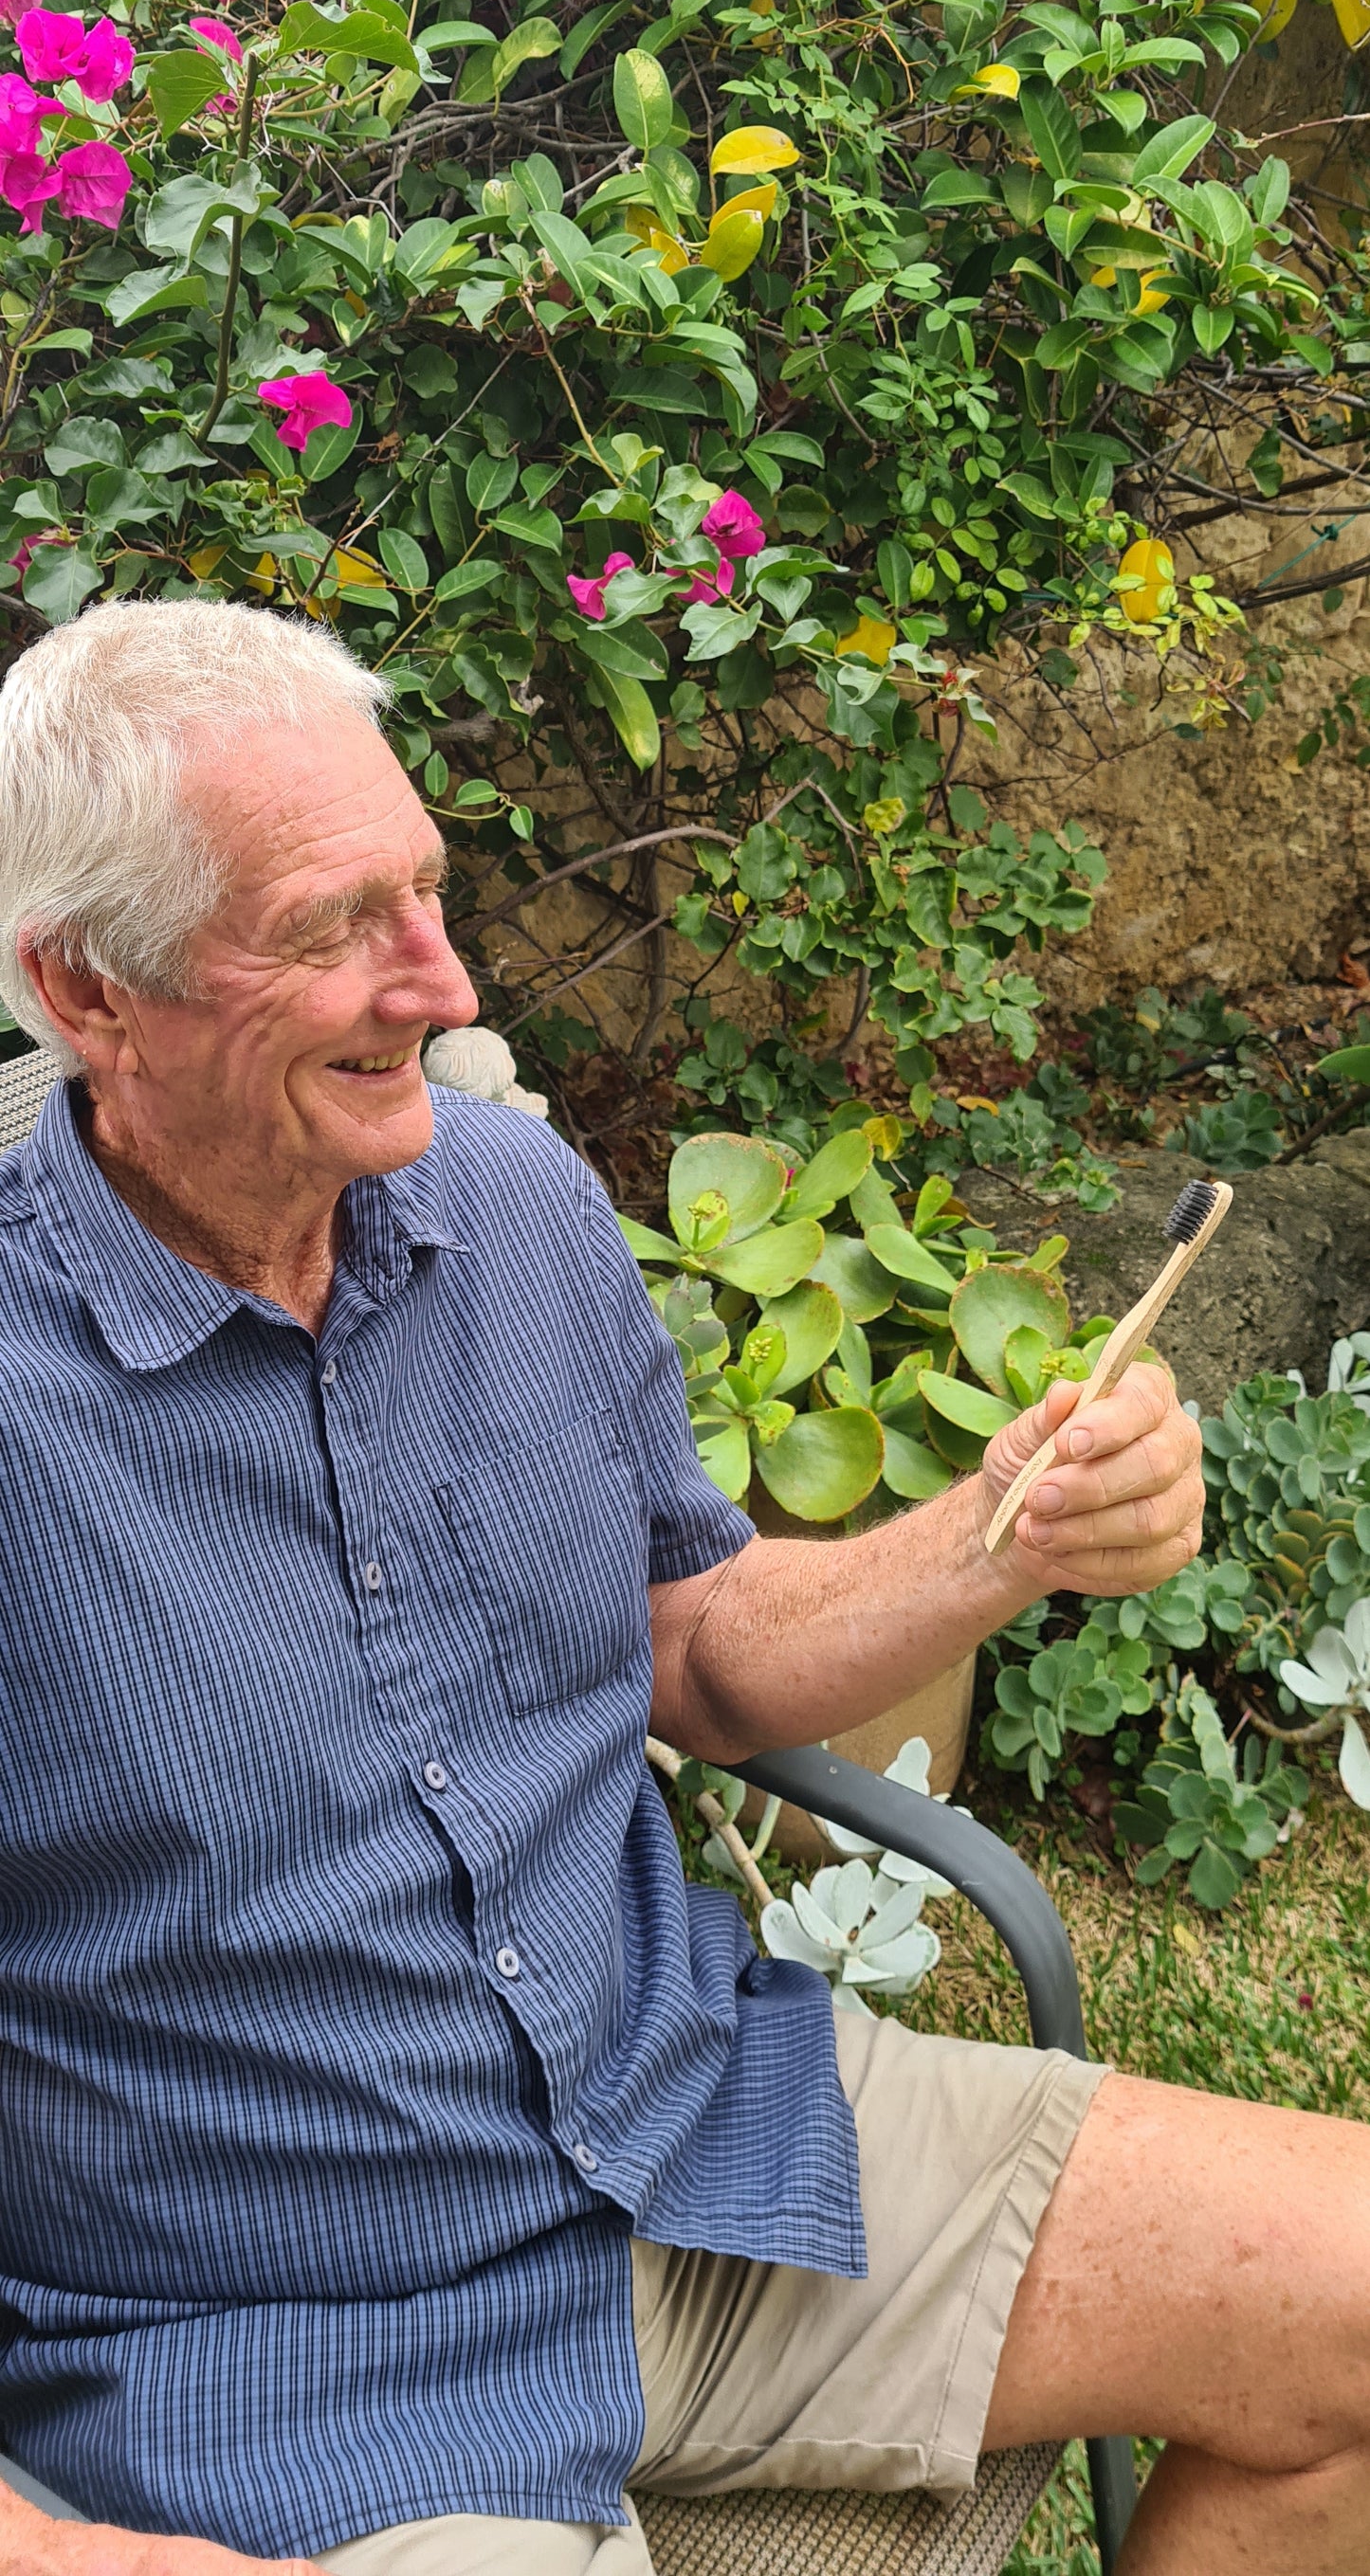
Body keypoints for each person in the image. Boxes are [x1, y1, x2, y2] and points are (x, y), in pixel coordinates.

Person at [0, 604, 1362, 2576]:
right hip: (286, 2357)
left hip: (699, 2131)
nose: (443, 981)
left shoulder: (510, 1207)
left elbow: (687, 1640)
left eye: (428, 891)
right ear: (89, 989)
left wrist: (1002, 1531)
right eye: (330, 928)